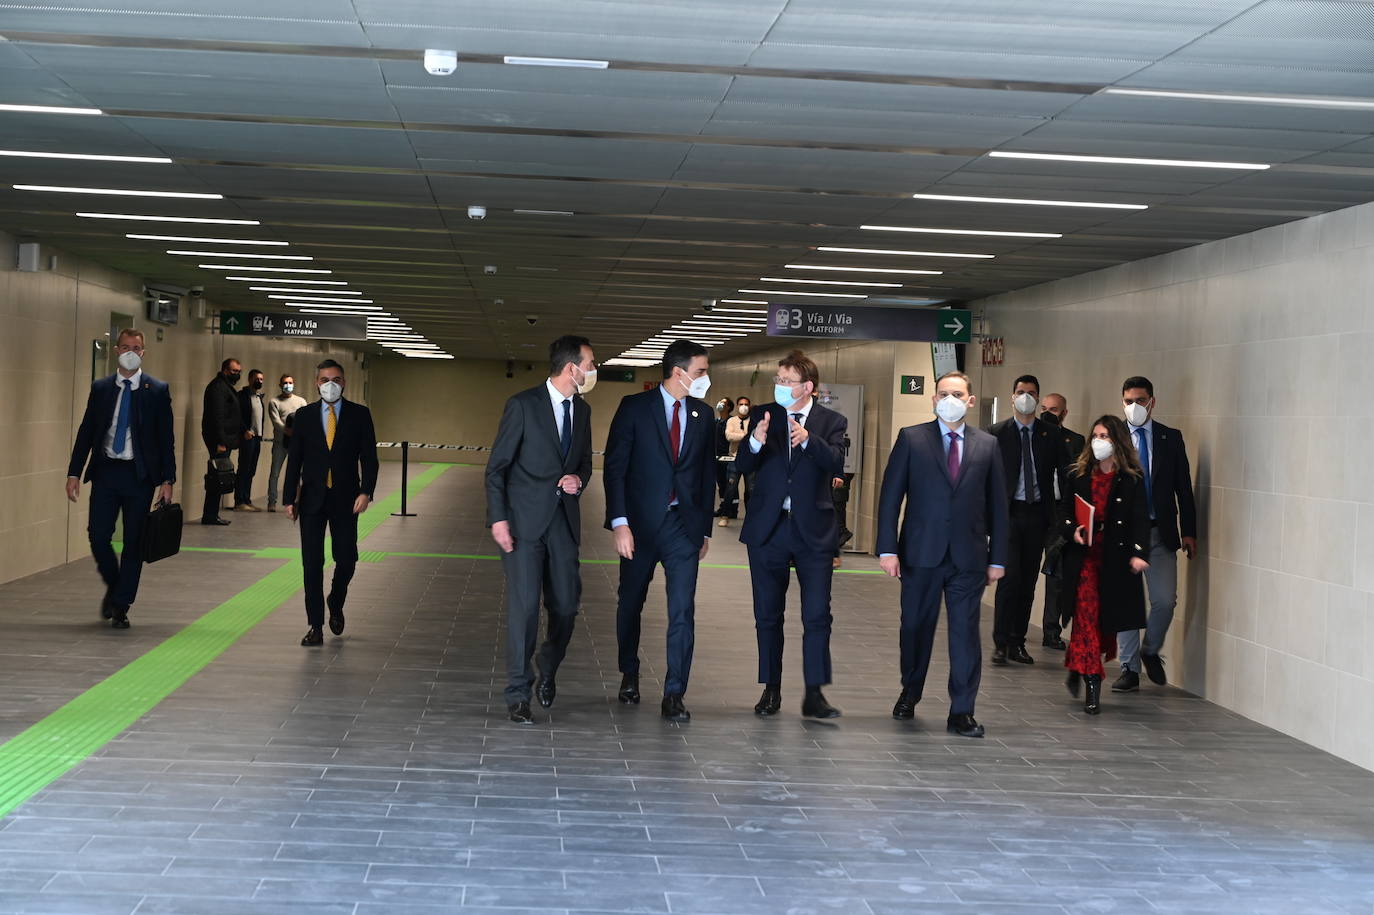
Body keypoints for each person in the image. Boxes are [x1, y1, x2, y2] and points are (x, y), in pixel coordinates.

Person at [877, 371, 1008, 739]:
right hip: (920, 553)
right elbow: (890, 498)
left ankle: (962, 711)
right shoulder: (911, 439)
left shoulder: (987, 445)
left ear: (970, 400)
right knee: (915, 628)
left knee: (966, 634)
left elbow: (999, 506)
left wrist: (997, 557)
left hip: (968, 557)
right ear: (934, 400)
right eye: (943, 393)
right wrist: (888, 548)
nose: (950, 398)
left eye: (958, 393)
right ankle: (911, 690)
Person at [485, 336, 596, 725]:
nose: (592, 371)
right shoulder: (522, 405)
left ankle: (547, 664)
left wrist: (577, 481)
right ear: (572, 368)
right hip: (523, 525)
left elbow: (584, 463)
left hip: (563, 523)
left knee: (566, 606)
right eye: (590, 364)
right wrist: (498, 518)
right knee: (526, 608)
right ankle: (518, 692)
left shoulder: (582, 412)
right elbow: (496, 468)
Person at [603, 339, 715, 722]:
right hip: (638, 526)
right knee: (630, 602)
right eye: (701, 371)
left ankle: (674, 692)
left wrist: (705, 530)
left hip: (683, 528)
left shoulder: (703, 414)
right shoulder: (634, 408)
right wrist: (620, 523)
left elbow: (705, 475)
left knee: (682, 609)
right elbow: (616, 468)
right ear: (678, 371)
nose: (705, 378)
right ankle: (629, 673)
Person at [734, 351, 847, 718]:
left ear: (808, 387)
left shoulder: (832, 421)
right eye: (778, 380)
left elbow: (835, 461)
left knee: (817, 615)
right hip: (768, 529)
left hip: (813, 530)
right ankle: (771, 688)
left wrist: (808, 440)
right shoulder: (765, 414)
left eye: (787, 381)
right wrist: (754, 441)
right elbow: (741, 465)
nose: (780, 387)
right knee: (767, 614)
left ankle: (814, 693)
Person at [65, 328, 175, 630]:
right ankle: (116, 588)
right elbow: (86, 432)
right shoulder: (101, 388)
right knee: (98, 536)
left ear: (143, 352)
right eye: (125, 346)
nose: (130, 351)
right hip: (106, 471)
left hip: (139, 476)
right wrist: (74, 472)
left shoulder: (157, 389)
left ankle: (122, 604)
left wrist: (168, 480)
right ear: (116, 350)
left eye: (136, 347)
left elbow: (166, 439)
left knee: (134, 542)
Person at [282, 359, 379, 647]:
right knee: (311, 564)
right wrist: (289, 498)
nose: (330, 384)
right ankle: (315, 626)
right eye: (325, 379)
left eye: (336, 379)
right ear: (316, 383)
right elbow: (294, 460)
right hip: (311, 499)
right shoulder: (305, 415)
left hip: (346, 499)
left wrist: (366, 491)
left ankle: (335, 600)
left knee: (347, 559)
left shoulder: (360, 415)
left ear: (345, 382)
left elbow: (369, 459)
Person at [1059, 416, 1150, 714]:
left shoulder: (1131, 478)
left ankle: (1079, 662)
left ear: (1118, 442)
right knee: (1086, 613)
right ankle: (1092, 684)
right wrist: (1072, 529)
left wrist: (1139, 553)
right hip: (1083, 557)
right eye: (1095, 435)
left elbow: (1139, 519)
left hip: (1113, 560)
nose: (1099, 441)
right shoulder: (1078, 474)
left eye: (1106, 436)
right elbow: (1062, 514)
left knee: (1102, 621)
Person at [1115, 376, 1198, 692]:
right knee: (1127, 602)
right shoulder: (1111, 436)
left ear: (1152, 401)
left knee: (1164, 601)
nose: (1133, 407)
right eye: (1128, 401)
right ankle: (1128, 668)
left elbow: (1184, 489)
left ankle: (1150, 650)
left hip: (1159, 532)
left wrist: (1189, 532)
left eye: (1140, 400)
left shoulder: (1170, 438)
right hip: (1123, 535)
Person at [987, 375, 1062, 667]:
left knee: (1029, 581)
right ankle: (1001, 642)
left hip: (1038, 515)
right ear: (1012, 397)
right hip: (1008, 515)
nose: (1026, 397)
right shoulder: (996, 433)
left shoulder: (1050, 434)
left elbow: (1064, 475)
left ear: (1038, 397)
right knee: (1009, 579)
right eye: (1021, 392)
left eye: (1031, 393)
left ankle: (1018, 641)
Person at [1037, 393, 1085, 650]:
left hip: (1060, 511)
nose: (1047, 413)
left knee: (1056, 573)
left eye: (1053, 410)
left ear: (1064, 413)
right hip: (1035, 509)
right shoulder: (1030, 438)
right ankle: (1012, 633)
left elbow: (1078, 474)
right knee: (1022, 572)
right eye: (1043, 408)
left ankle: (1051, 631)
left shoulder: (1074, 441)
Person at [200, 358, 241, 525]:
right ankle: (210, 514)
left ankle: (212, 513)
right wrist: (221, 441)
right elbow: (217, 416)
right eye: (234, 371)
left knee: (219, 476)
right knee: (217, 477)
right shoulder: (218, 388)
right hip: (219, 440)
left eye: (239, 372)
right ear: (225, 370)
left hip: (223, 438)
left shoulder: (224, 387)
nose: (237, 375)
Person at [266, 374, 307, 512]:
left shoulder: (301, 402)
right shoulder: (274, 402)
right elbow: (276, 421)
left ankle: (297, 500)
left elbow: (307, 420)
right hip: (280, 443)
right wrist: (287, 431)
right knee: (275, 473)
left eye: (290, 382)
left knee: (299, 473)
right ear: (280, 384)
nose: (288, 385)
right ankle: (272, 502)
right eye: (285, 382)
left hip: (297, 444)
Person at [233, 369, 266, 512]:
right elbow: (237, 415)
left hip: (257, 438)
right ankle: (239, 501)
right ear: (249, 379)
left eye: (261, 379)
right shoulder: (242, 396)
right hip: (247, 437)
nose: (259, 381)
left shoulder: (259, 397)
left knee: (251, 470)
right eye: (257, 378)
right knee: (244, 469)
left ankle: (247, 499)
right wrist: (244, 430)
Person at [719, 397, 751, 524]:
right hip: (734, 458)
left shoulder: (753, 420)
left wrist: (742, 437)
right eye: (741, 404)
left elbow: (756, 436)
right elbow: (729, 436)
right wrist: (745, 436)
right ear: (737, 406)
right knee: (730, 488)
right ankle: (725, 515)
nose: (743, 406)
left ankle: (750, 517)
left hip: (750, 459)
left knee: (750, 489)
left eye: (746, 404)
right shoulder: (731, 420)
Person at [713, 396, 735, 527]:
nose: (720, 404)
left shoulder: (730, 421)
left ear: (728, 407)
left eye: (723, 403)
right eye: (719, 401)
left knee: (730, 484)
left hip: (728, 456)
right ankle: (723, 507)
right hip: (716, 456)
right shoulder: (716, 421)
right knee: (721, 484)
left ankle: (732, 509)